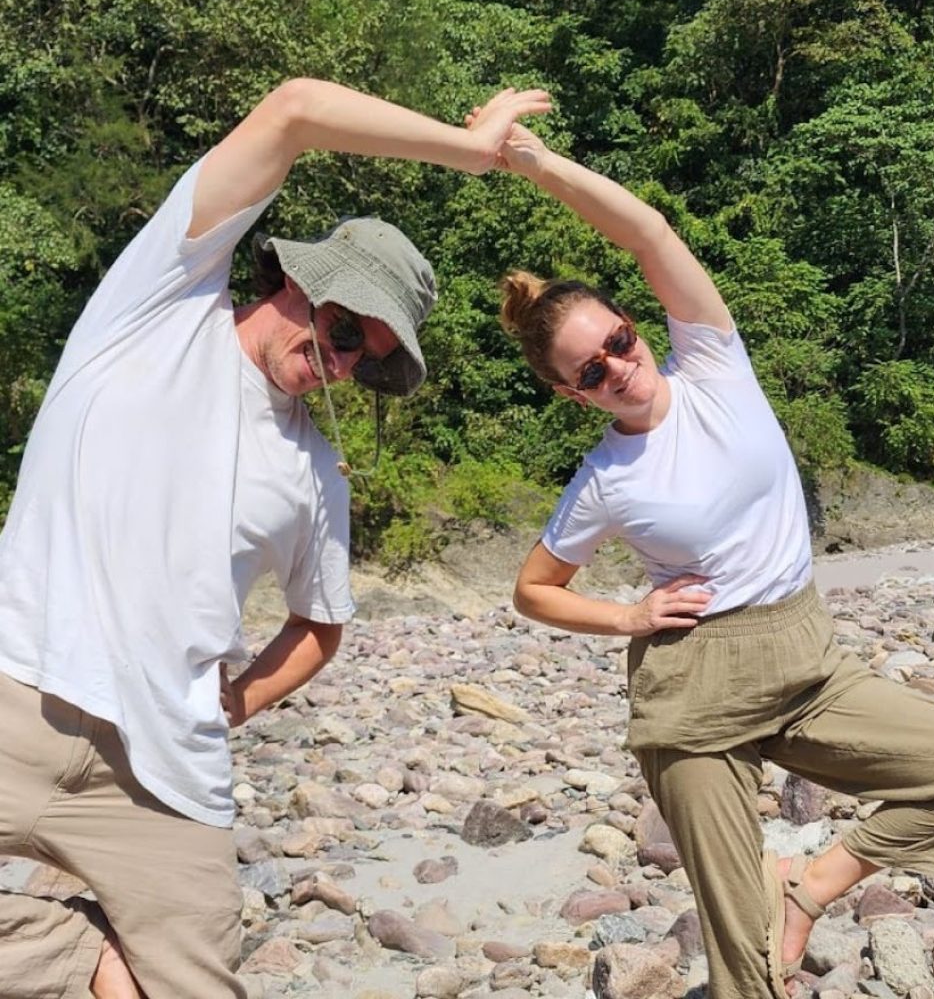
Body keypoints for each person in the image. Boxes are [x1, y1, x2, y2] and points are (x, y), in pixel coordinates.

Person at [0, 80, 549, 998]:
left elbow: (321, 625)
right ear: (293, 282)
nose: (340, 361)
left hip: (166, 772)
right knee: (99, 976)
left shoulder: (316, 471)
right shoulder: (155, 307)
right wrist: (472, 148)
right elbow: (292, 109)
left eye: (368, 357)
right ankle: (72, 959)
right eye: (341, 329)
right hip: (18, 695)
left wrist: (235, 704)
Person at [485, 114, 934, 998]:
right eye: (590, 372)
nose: (618, 366)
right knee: (743, 966)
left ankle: (809, 885)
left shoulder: (715, 364)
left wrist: (537, 163)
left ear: (631, 324)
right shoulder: (603, 479)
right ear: (569, 393)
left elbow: (649, 231)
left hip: (807, 661)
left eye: (617, 340)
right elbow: (534, 590)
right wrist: (628, 615)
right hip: (693, 692)